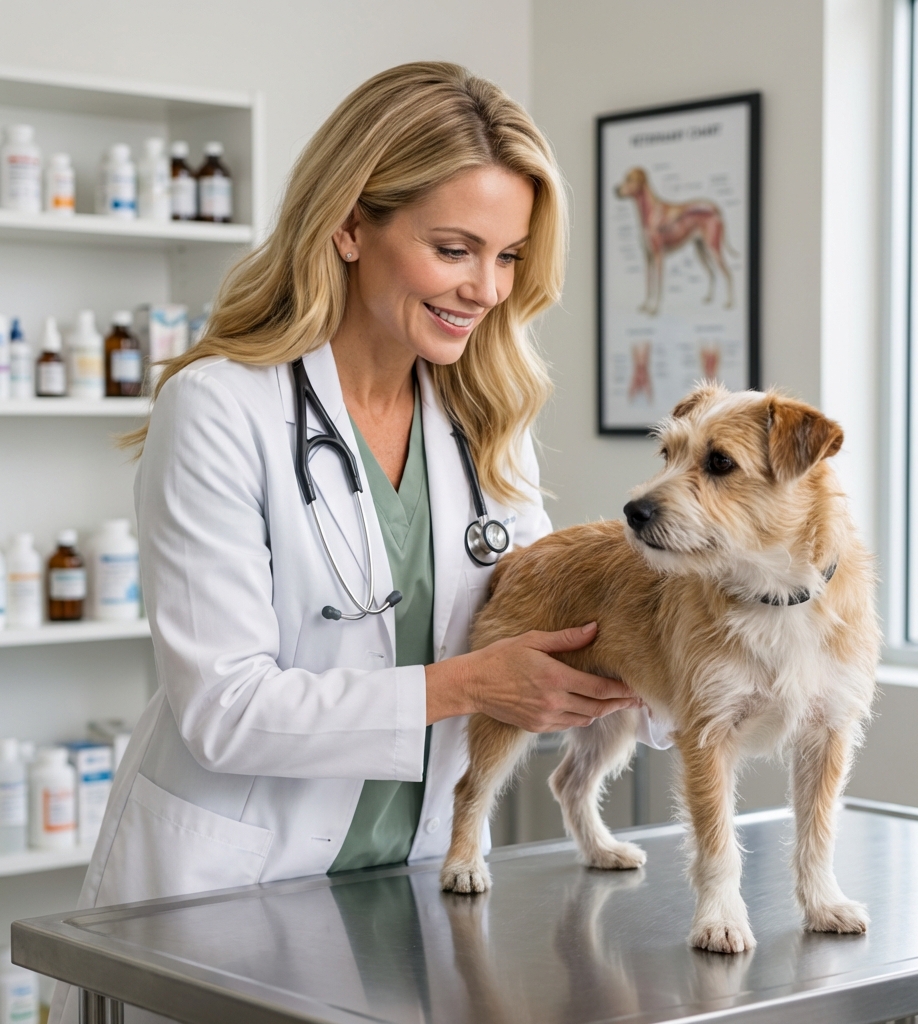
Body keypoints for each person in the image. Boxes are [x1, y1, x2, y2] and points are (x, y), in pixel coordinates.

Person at [50, 61, 650, 1024]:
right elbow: (226, 709)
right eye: (455, 248)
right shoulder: (217, 409)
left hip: (406, 893)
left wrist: (701, 626)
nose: (486, 288)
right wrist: (473, 685)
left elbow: (559, 627)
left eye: (508, 256)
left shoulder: (487, 414)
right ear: (348, 225)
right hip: (219, 898)